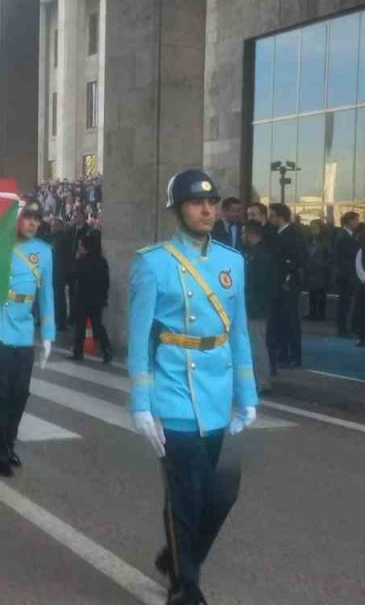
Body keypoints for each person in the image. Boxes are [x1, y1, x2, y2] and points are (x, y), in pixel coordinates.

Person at [128, 169, 257, 605]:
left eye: (212, 202)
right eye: (195, 203)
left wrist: (248, 396)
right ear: (177, 210)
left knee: (223, 492)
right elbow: (140, 338)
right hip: (174, 394)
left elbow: (238, 334)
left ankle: (178, 556)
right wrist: (141, 404)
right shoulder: (153, 264)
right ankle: (186, 586)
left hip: (219, 394)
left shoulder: (232, 262)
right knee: (186, 494)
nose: (207, 210)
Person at [0, 198, 55, 477]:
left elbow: (46, 296)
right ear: (16, 218)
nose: (33, 223)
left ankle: (6, 441)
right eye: (28, 217)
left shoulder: (44, 252)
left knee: (20, 392)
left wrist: (48, 335)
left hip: (22, 331)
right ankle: (1, 450)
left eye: (38, 218)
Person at [266, 203, 305, 368]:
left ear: (280, 216)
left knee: (291, 320)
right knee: (279, 320)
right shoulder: (275, 233)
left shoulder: (294, 234)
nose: (269, 218)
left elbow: (299, 259)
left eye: (272, 215)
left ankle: (295, 355)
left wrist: (290, 275)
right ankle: (282, 354)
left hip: (289, 284)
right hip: (277, 283)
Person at [242, 221, 276, 395]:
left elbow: (258, 282)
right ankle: (256, 379)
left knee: (257, 345)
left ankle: (262, 381)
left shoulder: (260, 255)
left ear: (251, 234)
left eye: (244, 233)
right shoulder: (254, 253)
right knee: (253, 344)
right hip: (253, 304)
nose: (242, 237)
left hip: (256, 306)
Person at [69, 232, 113, 363]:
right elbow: (106, 282)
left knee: (80, 326)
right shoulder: (102, 261)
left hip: (82, 298)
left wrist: (76, 261)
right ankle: (107, 351)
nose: (79, 248)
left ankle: (78, 352)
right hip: (97, 299)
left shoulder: (82, 261)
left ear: (85, 247)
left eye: (80, 246)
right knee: (98, 326)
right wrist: (104, 298)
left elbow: (71, 276)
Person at [332, 211, 361, 337]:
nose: (357, 223)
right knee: (344, 303)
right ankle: (342, 329)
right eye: (356, 220)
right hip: (345, 274)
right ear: (349, 221)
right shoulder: (344, 236)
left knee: (345, 302)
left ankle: (343, 328)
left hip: (345, 273)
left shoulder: (346, 235)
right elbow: (348, 256)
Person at [303, 218, 331, 321]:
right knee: (312, 293)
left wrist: (322, 265)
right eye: (311, 228)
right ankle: (312, 313)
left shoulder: (325, 241)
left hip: (321, 271)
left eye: (315, 227)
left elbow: (330, 256)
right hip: (311, 270)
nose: (313, 230)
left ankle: (320, 314)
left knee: (320, 293)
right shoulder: (309, 240)